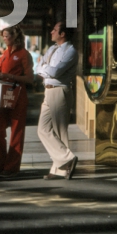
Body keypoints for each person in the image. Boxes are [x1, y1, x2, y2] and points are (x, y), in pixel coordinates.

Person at [0, 25, 34, 178]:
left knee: (17, 132)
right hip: (3, 94)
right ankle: (0, 165)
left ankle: (12, 167)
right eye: (3, 36)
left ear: (15, 36)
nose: (4, 39)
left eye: (7, 36)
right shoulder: (5, 54)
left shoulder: (24, 54)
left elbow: (30, 79)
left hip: (18, 95)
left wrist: (9, 76)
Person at [36, 22, 79, 180]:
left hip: (60, 91)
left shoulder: (71, 51)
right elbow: (38, 68)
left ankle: (60, 169)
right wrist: (46, 69)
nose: (51, 31)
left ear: (63, 34)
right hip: (48, 91)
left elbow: (54, 71)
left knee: (60, 131)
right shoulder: (52, 48)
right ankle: (67, 159)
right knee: (42, 129)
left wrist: (45, 68)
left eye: (54, 29)